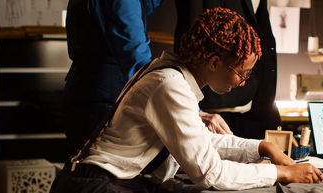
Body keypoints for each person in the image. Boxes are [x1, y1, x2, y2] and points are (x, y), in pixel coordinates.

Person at [48, 7, 323, 193]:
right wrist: (281, 172)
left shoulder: (171, 75)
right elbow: (210, 173)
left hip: (100, 190)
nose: (242, 83)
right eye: (241, 73)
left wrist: (262, 148)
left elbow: (200, 142)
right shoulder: (170, 85)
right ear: (214, 63)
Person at [63, 0, 230, 155]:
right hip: (101, 105)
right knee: (101, 180)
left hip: (88, 96)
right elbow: (138, 62)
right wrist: (193, 112)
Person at [174, 0, 281, 139]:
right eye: (242, 76)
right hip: (214, 101)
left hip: (253, 102)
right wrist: (196, 109)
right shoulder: (171, 86)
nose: (243, 81)